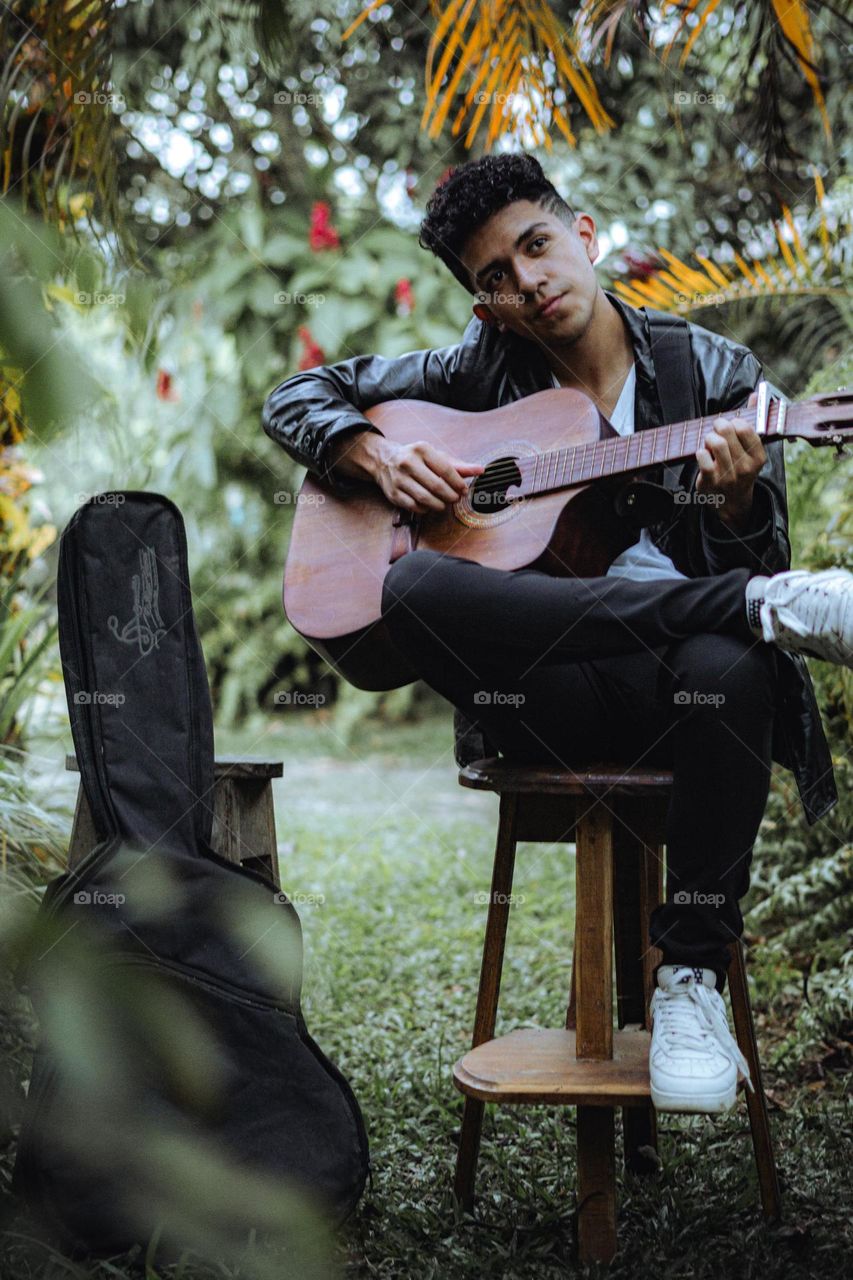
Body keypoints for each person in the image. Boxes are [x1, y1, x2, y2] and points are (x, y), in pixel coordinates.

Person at [262, 152, 852, 1114]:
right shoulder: (476, 373)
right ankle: (752, 605)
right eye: (493, 278)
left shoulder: (714, 375)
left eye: (534, 247)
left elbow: (762, 546)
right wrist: (374, 456)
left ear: (582, 236)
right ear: (484, 304)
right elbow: (296, 396)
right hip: (546, 699)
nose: (525, 284)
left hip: (688, 701)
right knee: (411, 585)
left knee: (730, 654)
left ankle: (689, 982)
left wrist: (738, 502)